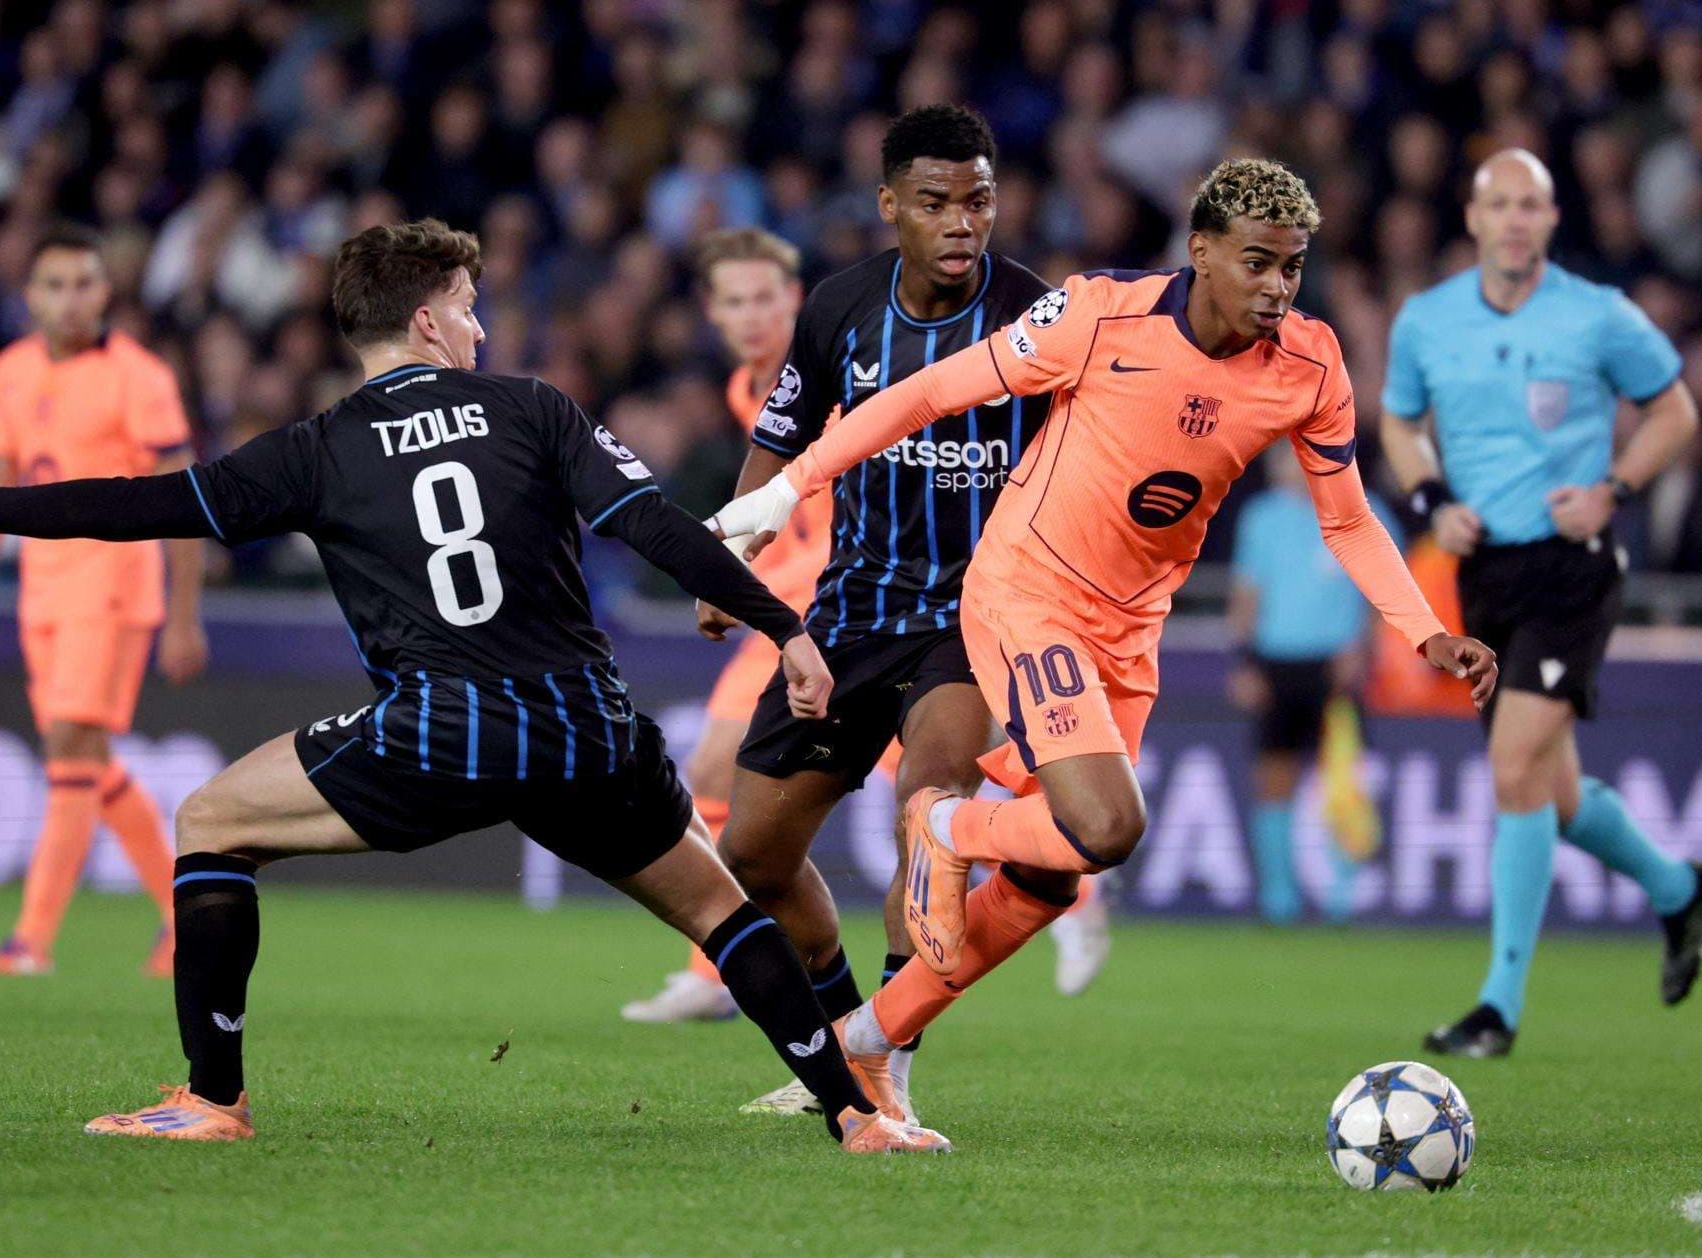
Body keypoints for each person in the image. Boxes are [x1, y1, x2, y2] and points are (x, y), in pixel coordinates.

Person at [0, 219, 946, 1155]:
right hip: (585, 726)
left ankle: (211, 1099)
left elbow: (142, 503)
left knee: (210, 820)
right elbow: (653, 524)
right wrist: (781, 625)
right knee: (718, 906)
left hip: (439, 733)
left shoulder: (316, 450)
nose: (479, 326)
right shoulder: (532, 407)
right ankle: (857, 1117)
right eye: (468, 306)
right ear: (425, 320)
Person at [710, 159, 1499, 1104]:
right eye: (1258, 263)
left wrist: (1422, 633)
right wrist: (784, 492)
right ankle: (945, 825)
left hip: (1130, 630)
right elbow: (925, 395)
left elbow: (1347, 519)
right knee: (1109, 825)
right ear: (1200, 252)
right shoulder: (1097, 313)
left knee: (1054, 880)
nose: (1278, 289)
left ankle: (874, 1039)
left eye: (1293, 268)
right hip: (1026, 592)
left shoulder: (1309, 363)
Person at [708, 105, 1054, 1121]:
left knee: (934, 800)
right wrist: (732, 555)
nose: (962, 222)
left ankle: (889, 1066)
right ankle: (852, 1035)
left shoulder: (1036, 315)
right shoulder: (838, 309)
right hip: (853, 613)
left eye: (980, 201)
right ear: (889, 205)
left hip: (974, 617)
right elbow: (779, 434)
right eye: (938, 202)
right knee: (754, 858)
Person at [1379, 149, 1702, 1057]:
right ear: (1474, 215)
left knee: (1515, 763)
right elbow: (1399, 423)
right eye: (1502, 204)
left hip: (1574, 565)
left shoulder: (1599, 315)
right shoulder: (1428, 321)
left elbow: (1677, 413)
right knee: (1551, 791)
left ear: (1552, 216)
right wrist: (1427, 503)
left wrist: (1614, 488)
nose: (1517, 220)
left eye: (1532, 204)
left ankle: (1498, 1004)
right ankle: (1678, 889)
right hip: (1485, 574)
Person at [0, 224, 208, 978]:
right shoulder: (12, 370)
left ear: (105, 291)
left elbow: (184, 498)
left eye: (83, 283)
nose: (69, 299)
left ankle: (31, 941)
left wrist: (186, 614)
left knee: (67, 750)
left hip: (114, 584)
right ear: (30, 296)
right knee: (86, 758)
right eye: (54, 285)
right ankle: (183, 917)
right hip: (42, 588)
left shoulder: (141, 376)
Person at [620, 227, 830, 1025]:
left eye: (764, 298)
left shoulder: (833, 381)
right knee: (710, 774)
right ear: (712, 312)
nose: (751, 315)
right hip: (788, 614)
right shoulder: (751, 390)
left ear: (794, 300)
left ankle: (1070, 873)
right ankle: (714, 976)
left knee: (944, 783)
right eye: (734, 301)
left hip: (847, 612)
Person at [1227, 448, 1394, 924]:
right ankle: (1279, 899)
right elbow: (1247, 595)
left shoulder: (1364, 511)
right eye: (1283, 460)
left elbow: (1384, 590)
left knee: (1340, 779)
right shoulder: (1261, 518)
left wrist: (1363, 651)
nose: (1288, 470)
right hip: (1276, 661)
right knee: (1273, 779)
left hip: (1335, 665)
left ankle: (1343, 893)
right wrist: (1244, 661)